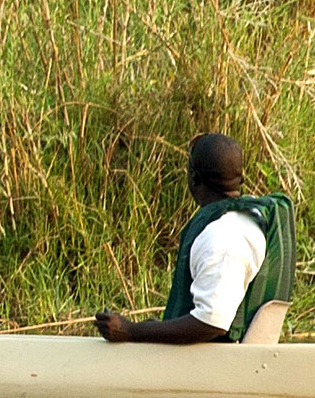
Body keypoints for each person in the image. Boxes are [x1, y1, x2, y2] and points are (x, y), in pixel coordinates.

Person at [94, 132, 294, 343]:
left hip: (216, 367)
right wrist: (157, 329)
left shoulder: (223, 236)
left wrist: (130, 331)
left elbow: (210, 323)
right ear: (241, 179)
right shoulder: (251, 218)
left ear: (193, 177)